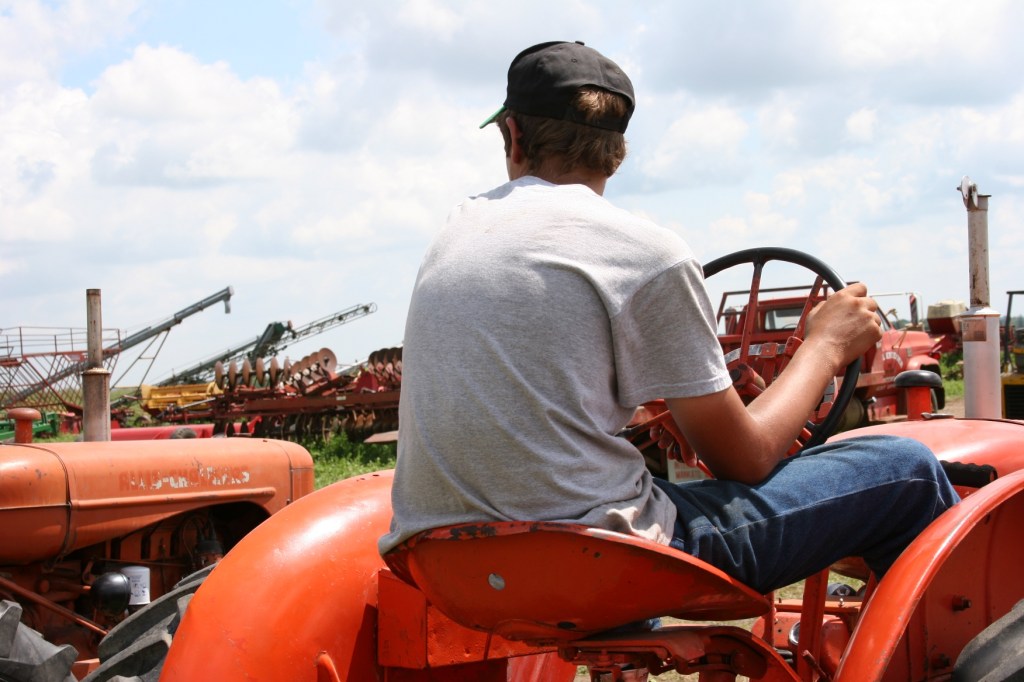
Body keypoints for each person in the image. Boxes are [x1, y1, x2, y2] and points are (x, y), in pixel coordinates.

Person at [378, 40, 959, 594]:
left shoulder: (453, 233)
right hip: (589, 555)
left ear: (513, 138)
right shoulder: (646, 254)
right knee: (906, 470)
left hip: (438, 555)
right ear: (618, 152)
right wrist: (824, 347)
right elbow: (748, 459)